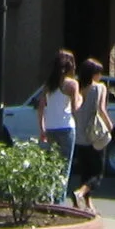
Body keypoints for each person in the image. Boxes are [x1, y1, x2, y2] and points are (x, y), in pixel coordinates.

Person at [31, 50, 80, 204]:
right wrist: (80, 99)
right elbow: (74, 108)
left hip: (51, 128)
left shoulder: (48, 85)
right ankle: (59, 201)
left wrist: (42, 129)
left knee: (52, 165)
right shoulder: (72, 84)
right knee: (64, 167)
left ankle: (48, 197)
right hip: (66, 127)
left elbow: (40, 108)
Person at [71, 57, 115, 213]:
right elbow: (101, 108)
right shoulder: (100, 88)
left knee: (85, 171)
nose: (100, 76)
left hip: (79, 136)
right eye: (99, 72)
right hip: (94, 136)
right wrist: (110, 125)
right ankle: (80, 193)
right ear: (94, 74)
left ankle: (85, 205)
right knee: (97, 173)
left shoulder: (77, 87)